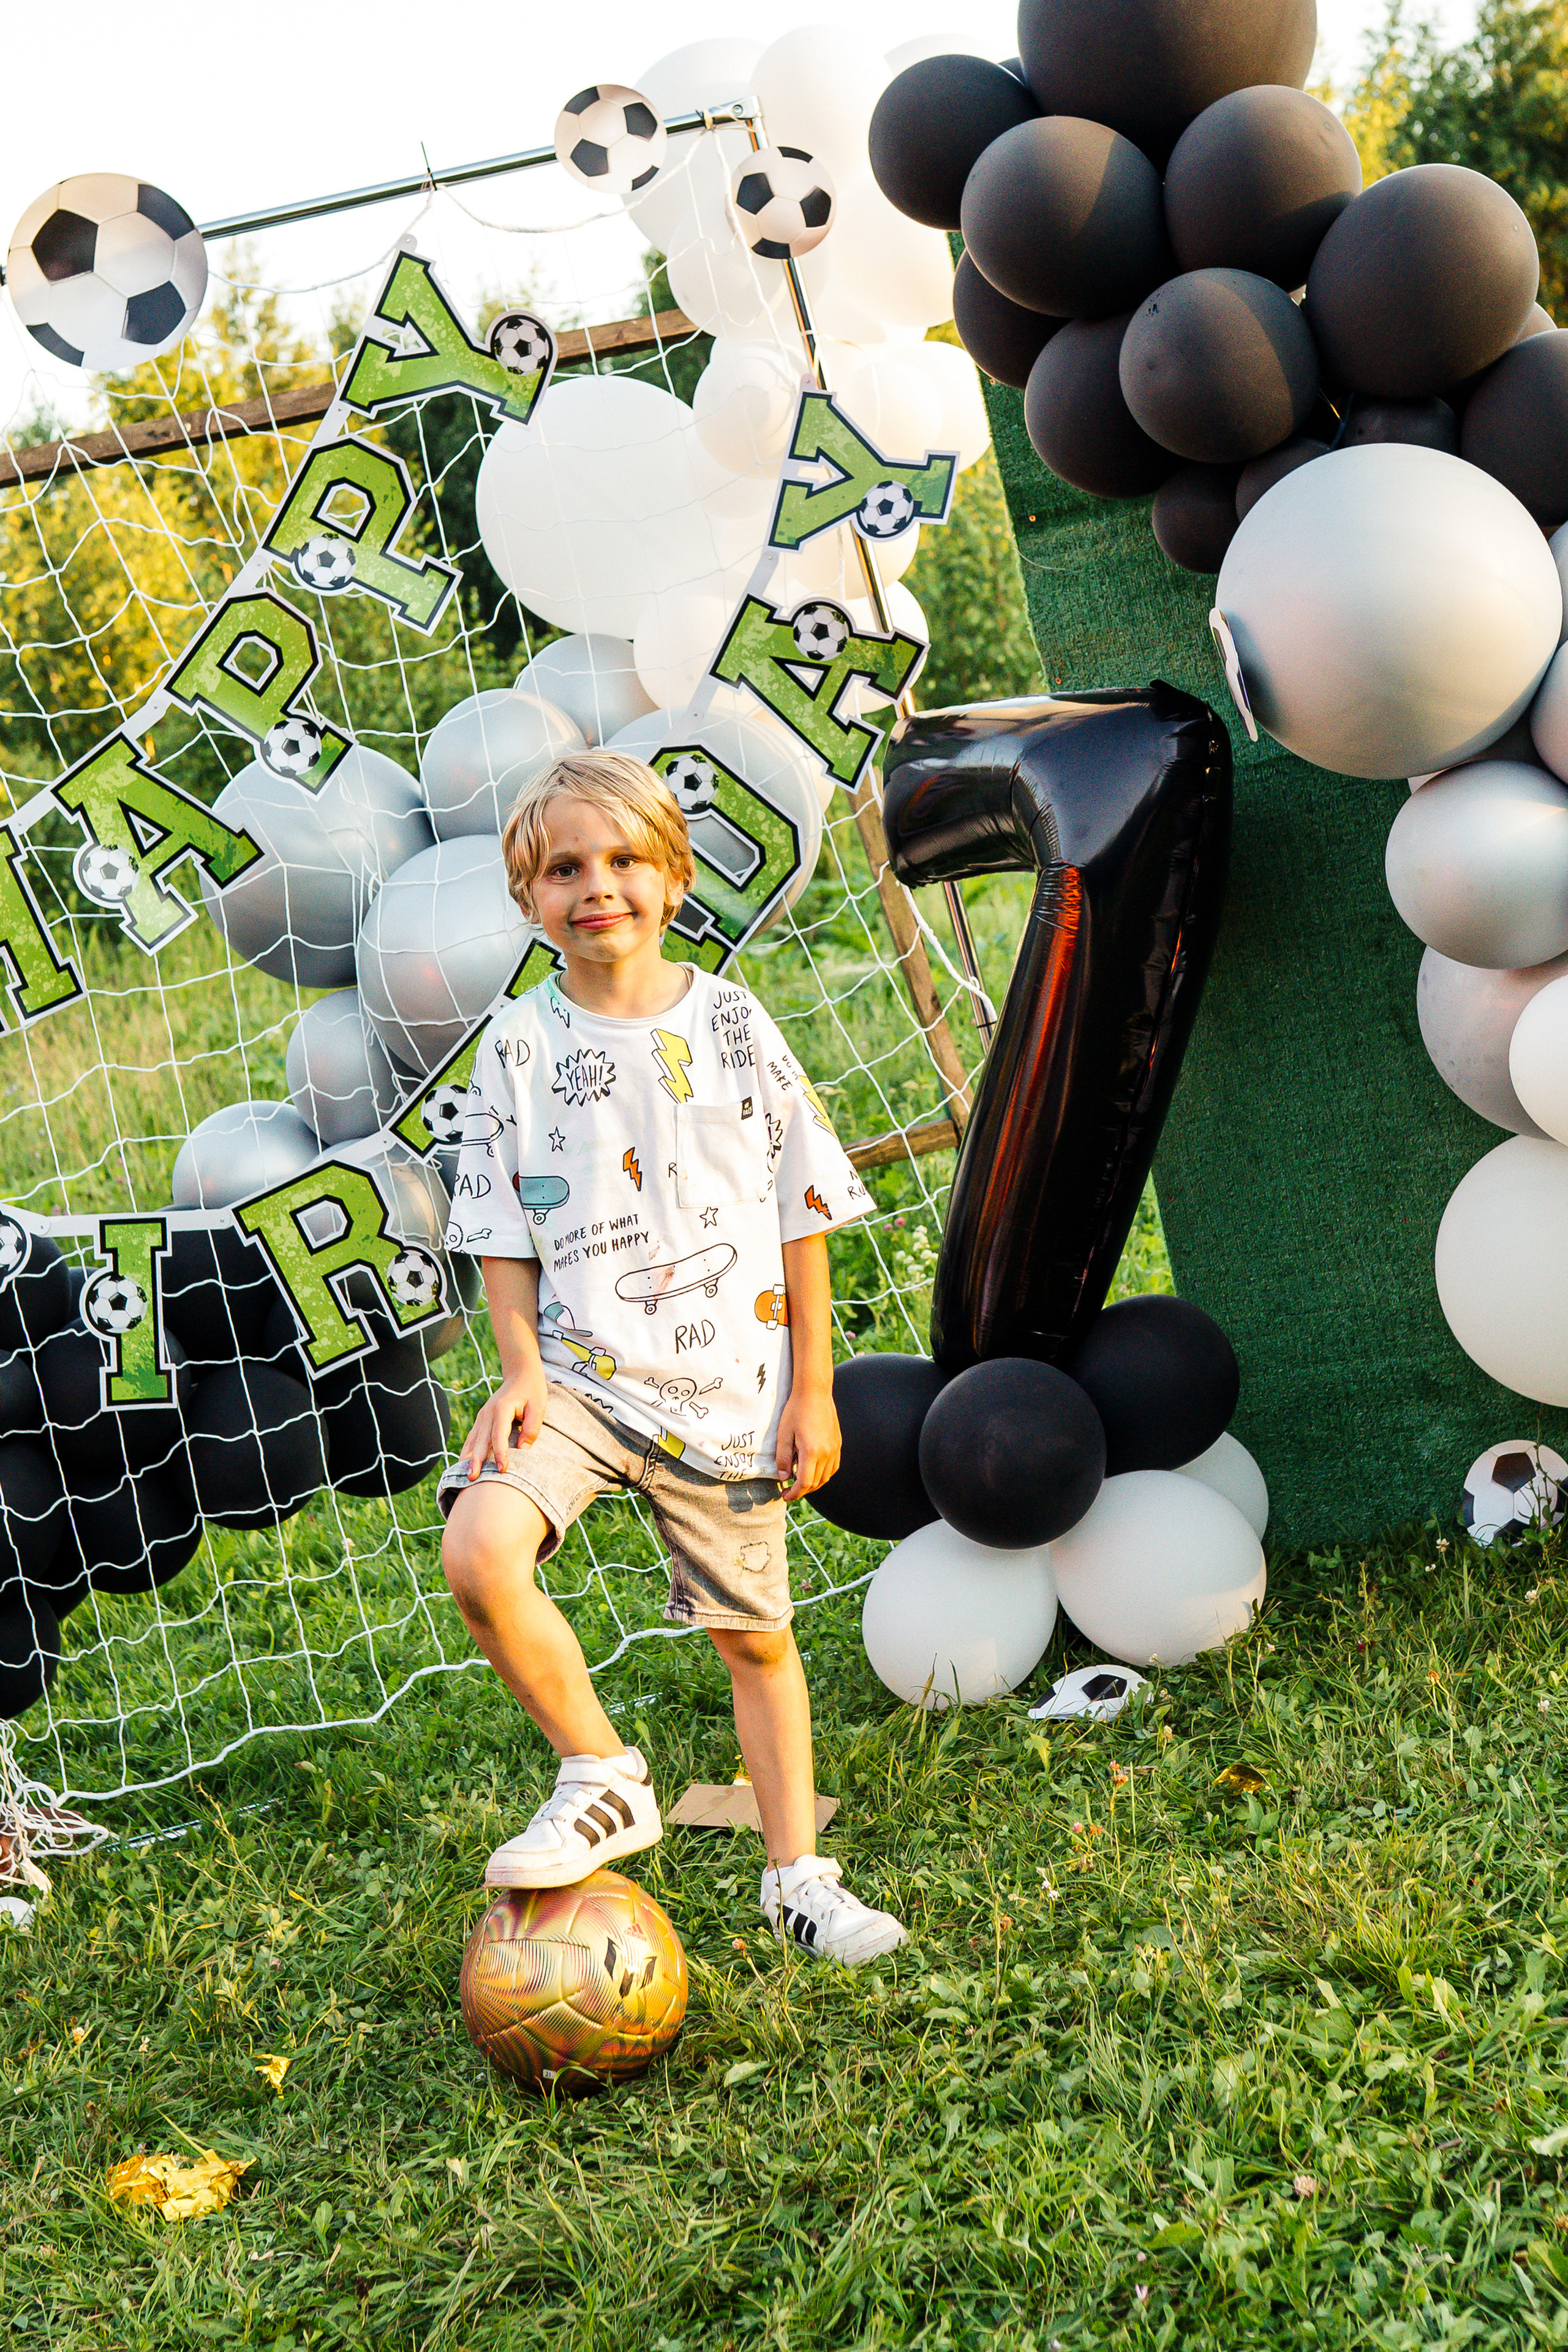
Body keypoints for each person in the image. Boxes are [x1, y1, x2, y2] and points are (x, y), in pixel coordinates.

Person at [438, 748, 907, 1966]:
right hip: (579, 1383)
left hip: (728, 1398)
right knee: (480, 1552)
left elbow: (802, 1208)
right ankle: (600, 1774)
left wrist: (812, 1387)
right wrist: (519, 1368)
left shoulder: (732, 1022)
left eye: (623, 860)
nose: (596, 886)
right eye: (563, 869)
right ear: (527, 896)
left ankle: (798, 1879)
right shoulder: (515, 1047)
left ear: (675, 875)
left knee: (755, 1642)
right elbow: (498, 1228)